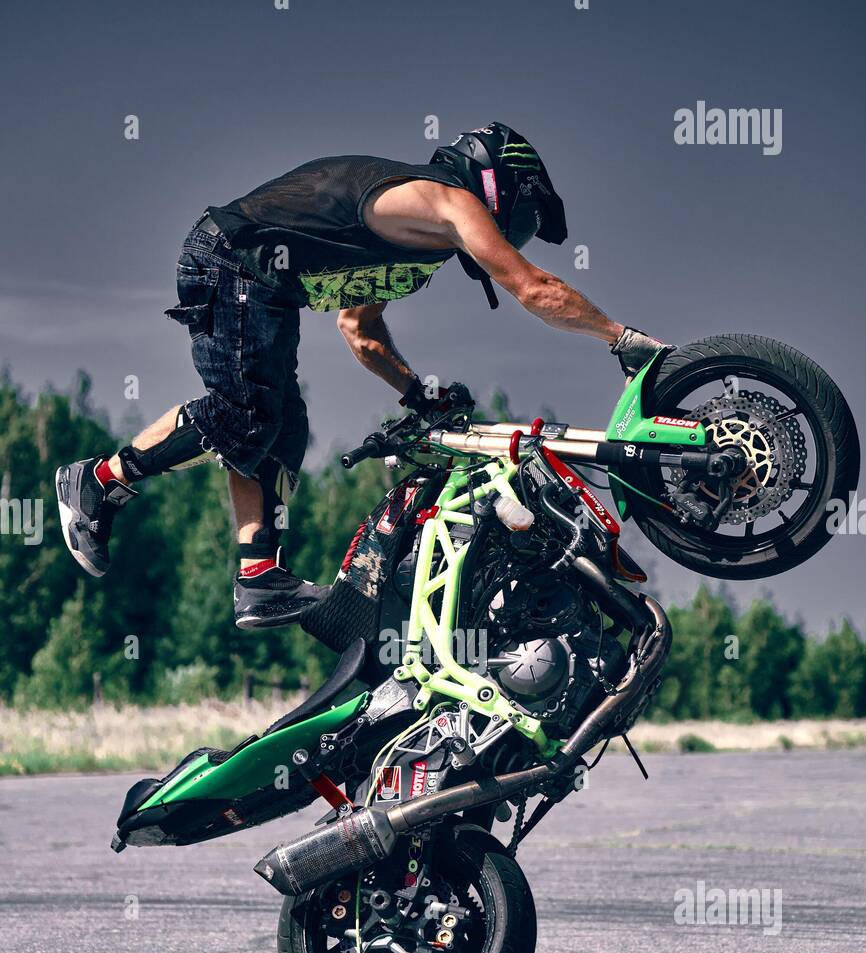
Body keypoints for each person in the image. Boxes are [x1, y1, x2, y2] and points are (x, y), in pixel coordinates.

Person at [56, 122, 668, 629]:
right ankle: (98, 479)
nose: (522, 230)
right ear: (498, 183)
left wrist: (418, 395)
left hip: (263, 284)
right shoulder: (448, 202)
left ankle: (257, 577)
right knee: (245, 414)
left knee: (280, 424)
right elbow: (534, 287)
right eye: (524, 213)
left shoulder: (417, 241)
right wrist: (622, 339)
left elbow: (361, 331)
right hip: (232, 259)